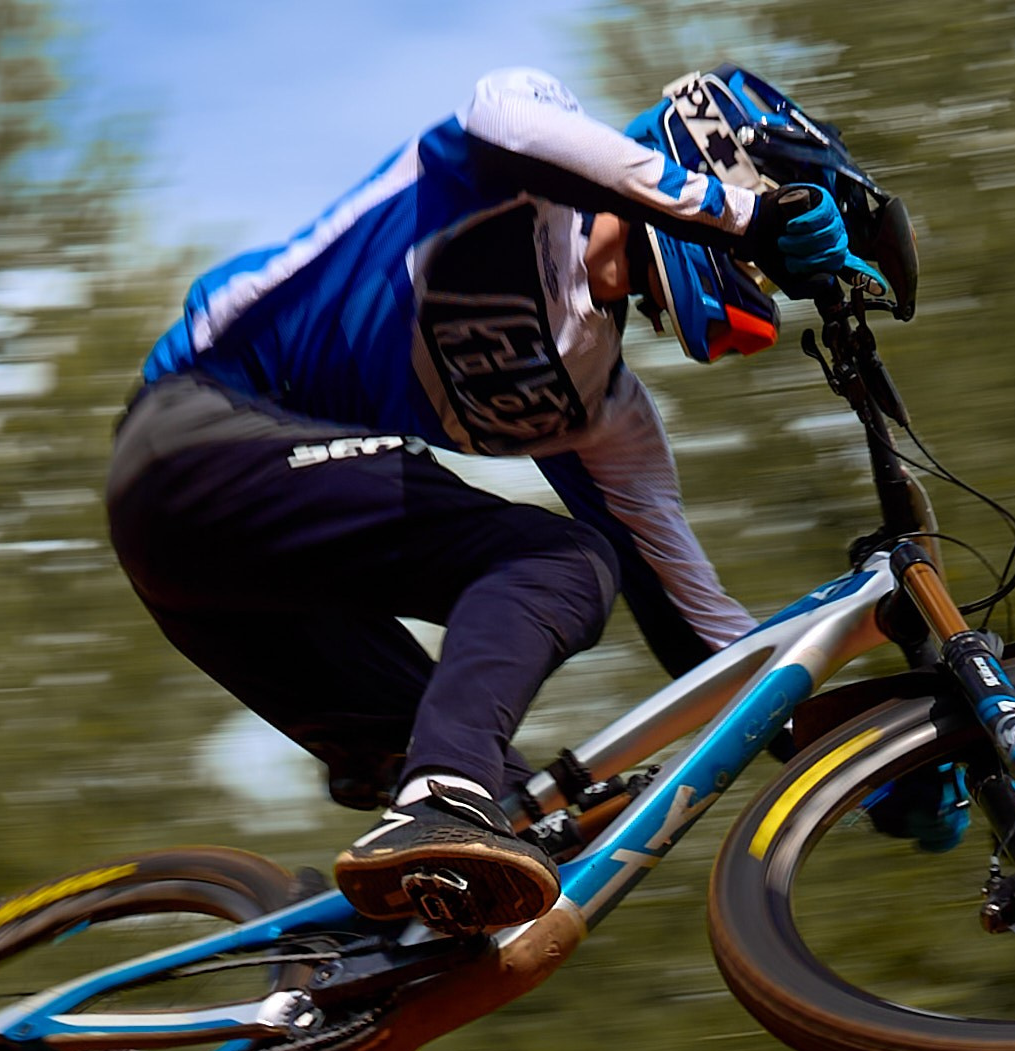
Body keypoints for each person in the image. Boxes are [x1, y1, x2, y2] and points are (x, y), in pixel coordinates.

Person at [106, 64, 912, 939]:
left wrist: (868, 768)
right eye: (772, 252)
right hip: (196, 427)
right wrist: (747, 218)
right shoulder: (521, 161)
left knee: (525, 827)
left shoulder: (603, 411)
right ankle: (437, 797)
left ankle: (302, 1018)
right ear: (715, 159)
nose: (764, 286)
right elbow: (503, 121)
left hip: (243, 576)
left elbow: (701, 632)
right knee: (559, 564)